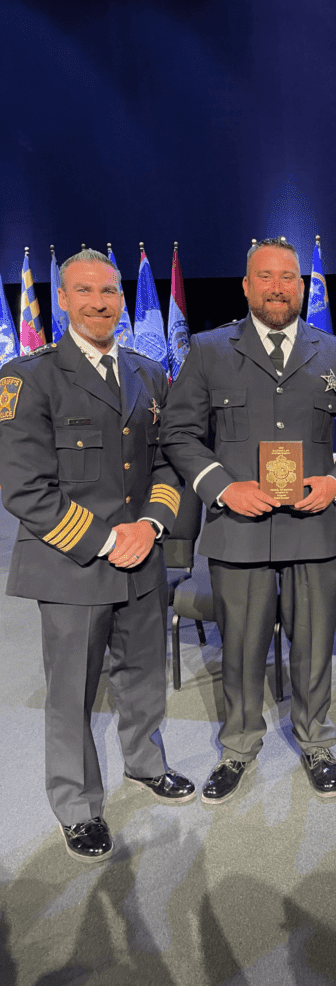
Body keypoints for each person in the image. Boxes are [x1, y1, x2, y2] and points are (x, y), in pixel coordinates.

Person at [160, 238, 336, 803]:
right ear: (246, 285)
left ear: (302, 287)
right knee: (240, 648)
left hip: (315, 527)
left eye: (288, 277)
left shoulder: (335, 352)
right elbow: (179, 433)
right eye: (266, 276)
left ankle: (316, 742)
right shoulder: (209, 350)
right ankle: (238, 747)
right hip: (239, 527)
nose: (278, 286)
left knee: (312, 645)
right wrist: (222, 487)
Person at [0, 249, 195, 864]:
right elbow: (23, 487)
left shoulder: (147, 372)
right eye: (85, 291)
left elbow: (167, 464)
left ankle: (143, 762)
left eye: (110, 291)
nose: (101, 302)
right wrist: (110, 538)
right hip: (74, 564)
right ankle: (76, 805)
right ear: (62, 299)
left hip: (143, 556)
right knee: (71, 693)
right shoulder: (26, 378)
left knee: (143, 676)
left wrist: (153, 523)